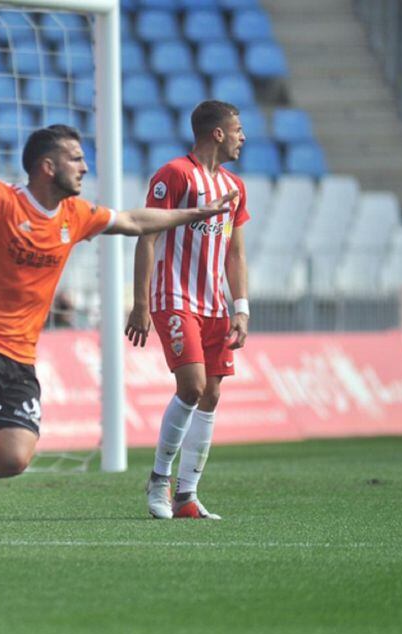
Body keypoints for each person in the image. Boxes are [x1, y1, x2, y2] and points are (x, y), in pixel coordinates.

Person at [0, 121, 238, 561]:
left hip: (20, 355)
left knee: (12, 461)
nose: (84, 167)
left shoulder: (75, 216)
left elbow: (134, 221)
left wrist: (196, 215)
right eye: (76, 159)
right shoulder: (1, 201)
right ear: (47, 166)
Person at [125, 100, 251, 521]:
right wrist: (140, 302)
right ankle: (159, 480)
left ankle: (188, 496)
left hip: (215, 304)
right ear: (217, 133)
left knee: (212, 395)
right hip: (174, 297)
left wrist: (241, 308)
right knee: (193, 387)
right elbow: (147, 236)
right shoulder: (174, 175)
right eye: (237, 129)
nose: (242, 137)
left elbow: (234, 250)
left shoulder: (234, 187)